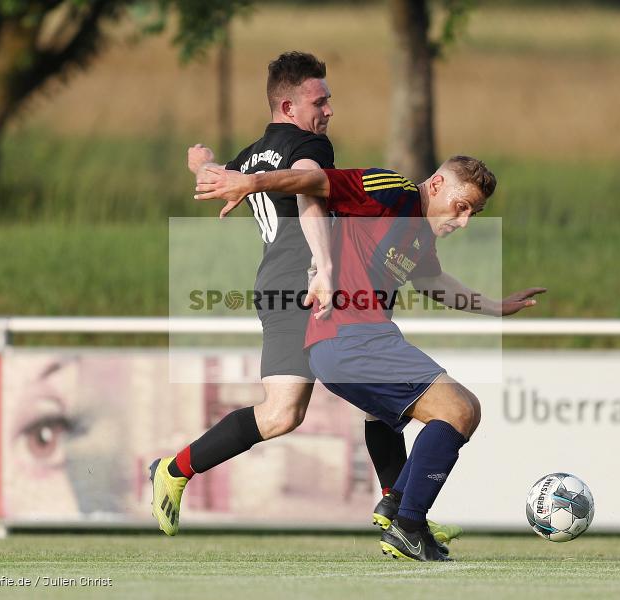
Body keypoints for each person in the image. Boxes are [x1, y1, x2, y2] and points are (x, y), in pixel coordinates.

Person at [150, 51, 461, 549]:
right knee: (283, 413)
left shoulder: (255, 155)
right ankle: (174, 469)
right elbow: (310, 193)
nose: (329, 110)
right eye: (320, 101)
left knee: (378, 394)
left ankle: (398, 509)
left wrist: (201, 162)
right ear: (289, 106)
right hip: (306, 289)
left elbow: (216, 176)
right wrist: (326, 267)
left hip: (283, 286)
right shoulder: (309, 145)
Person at [194, 157, 546, 561]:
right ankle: (407, 524)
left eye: (475, 213)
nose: (464, 221)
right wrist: (251, 183)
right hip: (348, 337)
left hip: (357, 342)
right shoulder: (392, 191)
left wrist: (495, 307)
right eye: (461, 206)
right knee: (458, 410)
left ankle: (400, 510)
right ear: (435, 185)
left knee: (460, 410)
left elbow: (431, 281)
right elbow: (313, 180)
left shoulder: (420, 232)